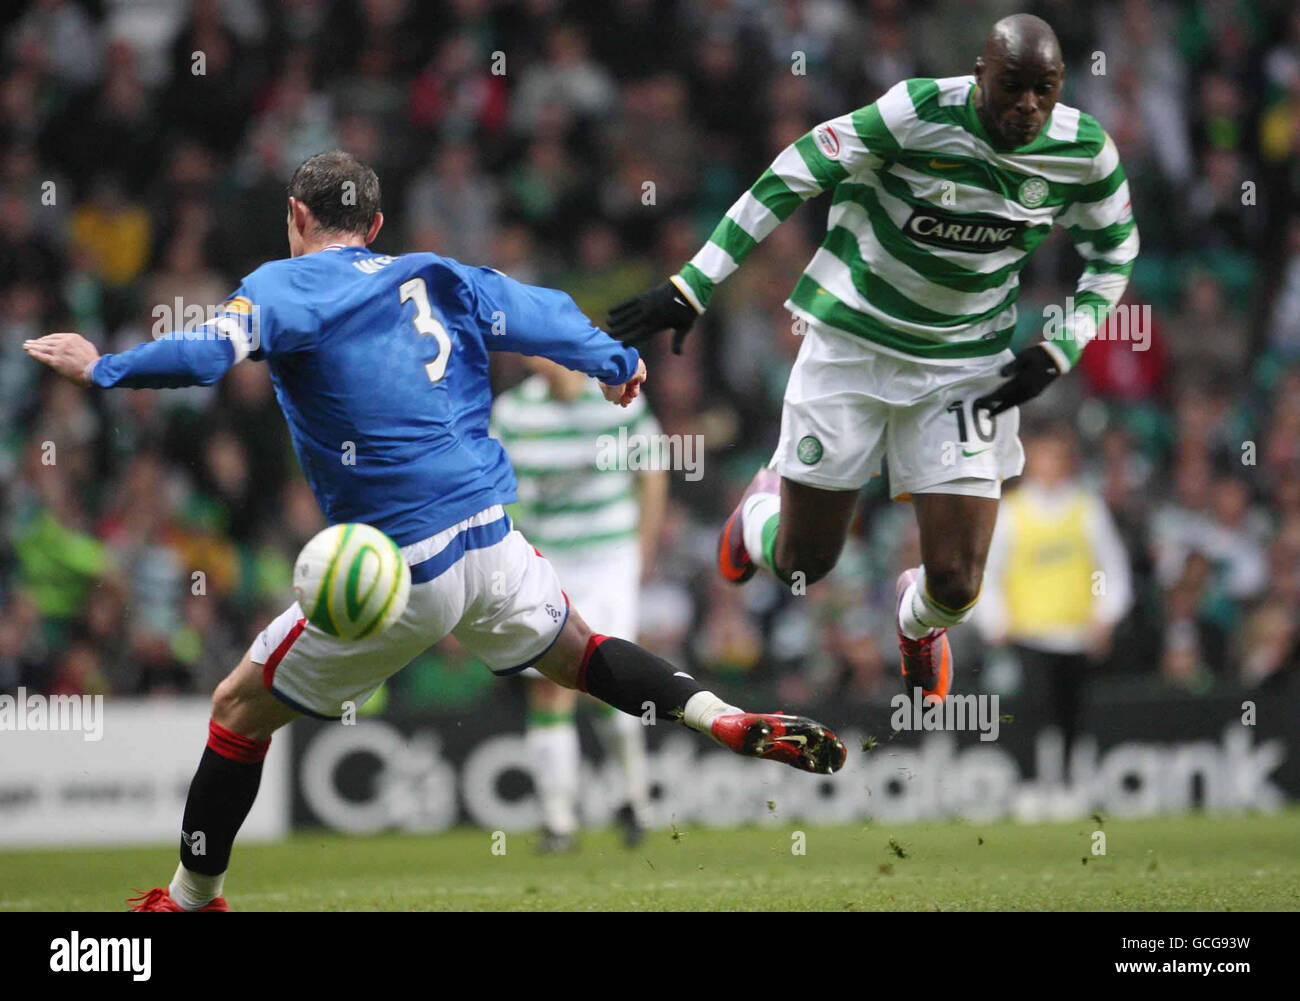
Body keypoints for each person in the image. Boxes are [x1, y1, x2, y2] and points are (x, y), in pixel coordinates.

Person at [24, 151, 846, 913]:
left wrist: (104, 367)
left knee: (237, 707)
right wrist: (615, 361)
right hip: (491, 536)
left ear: (295, 217)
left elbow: (206, 357)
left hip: (400, 558)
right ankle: (722, 717)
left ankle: (191, 899)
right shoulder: (438, 273)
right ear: (377, 226)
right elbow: (543, 313)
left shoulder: (282, 287)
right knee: (580, 653)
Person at [609, 14, 1139, 703]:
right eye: (1012, 86)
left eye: (1045, 89)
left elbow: (1116, 251)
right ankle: (756, 515)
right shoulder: (917, 112)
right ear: (981, 74)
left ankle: (916, 625)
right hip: (852, 347)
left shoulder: (1084, 151)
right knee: (807, 559)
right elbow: (794, 170)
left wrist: (1061, 347)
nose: (1028, 106)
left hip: (966, 367)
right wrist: (694, 283)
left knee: (956, 584)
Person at [490, 355, 666, 851]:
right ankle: (558, 821)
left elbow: (651, 471)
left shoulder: (618, 397)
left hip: (609, 557)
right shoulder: (513, 413)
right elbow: (496, 492)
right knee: (550, 688)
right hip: (550, 564)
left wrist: (644, 551)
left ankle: (634, 800)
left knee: (609, 682)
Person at [974, 423, 1133, 767]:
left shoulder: (1086, 509)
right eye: (1043, 456)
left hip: (1077, 633)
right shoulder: (1012, 513)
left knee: (1073, 713)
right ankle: (1035, 782)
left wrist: (1103, 614)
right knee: (1034, 714)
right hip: (1027, 632)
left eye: (1057, 457)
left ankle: (1070, 782)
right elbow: (990, 572)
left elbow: (1105, 570)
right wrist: (995, 619)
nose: (1050, 465)